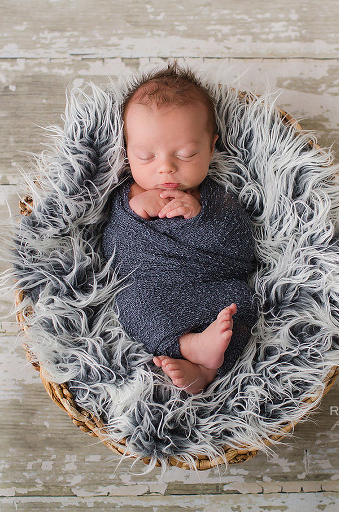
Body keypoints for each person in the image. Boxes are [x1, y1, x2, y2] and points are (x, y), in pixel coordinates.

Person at [102, 63, 258, 394]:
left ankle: (207, 368)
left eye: (186, 154)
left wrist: (202, 218)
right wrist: (133, 214)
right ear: (127, 151)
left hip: (209, 289)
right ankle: (192, 350)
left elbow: (243, 252)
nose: (166, 168)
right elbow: (111, 252)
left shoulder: (216, 198)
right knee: (131, 303)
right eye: (145, 156)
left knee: (241, 301)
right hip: (152, 290)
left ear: (211, 146)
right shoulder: (126, 199)